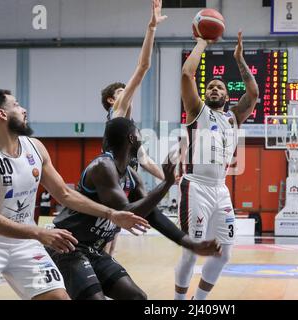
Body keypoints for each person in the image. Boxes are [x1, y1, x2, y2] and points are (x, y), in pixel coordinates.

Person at [0, 90, 148, 300]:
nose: (23, 110)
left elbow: (64, 194)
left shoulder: (35, 147)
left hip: (24, 244)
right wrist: (38, 233)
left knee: (59, 298)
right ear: (2, 114)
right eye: (16, 105)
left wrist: (111, 214)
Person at [47, 118, 221, 300]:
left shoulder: (131, 176)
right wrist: (166, 184)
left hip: (93, 249)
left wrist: (190, 243)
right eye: (139, 134)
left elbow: (151, 214)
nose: (142, 139)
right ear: (131, 138)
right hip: (67, 246)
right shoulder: (103, 167)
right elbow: (126, 212)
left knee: (137, 297)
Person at [175, 31, 259, 300]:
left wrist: (239, 59)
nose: (214, 89)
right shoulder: (197, 111)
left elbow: (254, 92)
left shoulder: (234, 117)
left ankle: (198, 302)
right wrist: (202, 43)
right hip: (195, 186)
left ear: (226, 96)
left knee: (224, 253)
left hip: (220, 190)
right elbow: (187, 76)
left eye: (219, 87)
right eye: (210, 86)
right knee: (192, 249)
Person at [100, 0, 166, 181]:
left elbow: (144, 159)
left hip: (125, 180)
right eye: (121, 91)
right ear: (111, 101)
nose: (126, 92)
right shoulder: (117, 112)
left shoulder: (128, 128)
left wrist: (168, 179)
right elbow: (143, 66)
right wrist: (151, 28)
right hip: (111, 179)